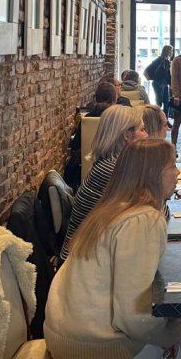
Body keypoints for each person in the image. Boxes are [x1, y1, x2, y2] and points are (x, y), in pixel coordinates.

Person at [46, 140, 181, 359]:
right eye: (172, 166)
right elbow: (132, 316)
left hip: (65, 340)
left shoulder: (110, 209)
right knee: (177, 321)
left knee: (175, 316)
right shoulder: (142, 220)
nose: (177, 172)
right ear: (152, 174)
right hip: (94, 352)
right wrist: (169, 335)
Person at [61, 105, 149, 260]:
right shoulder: (115, 170)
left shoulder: (109, 163)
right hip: (82, 265)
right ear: (127, 135)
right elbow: (152, 214)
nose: (147, 135)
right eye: (142, 130)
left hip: (91, 255)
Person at [145, 45, 174, 115]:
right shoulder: (159, 60)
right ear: (168, 51)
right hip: (158, 83)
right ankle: (158, 119)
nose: (172, 52)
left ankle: (165, 120)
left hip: (164, 84)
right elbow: (146, 71)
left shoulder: (167, 61)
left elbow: (168, 75)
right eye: (171, 51)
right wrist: (153, 78)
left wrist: (170, 84)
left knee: (166, 102)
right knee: (159, 102)